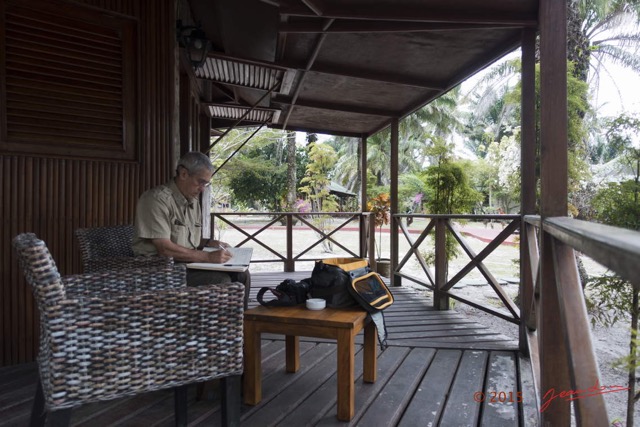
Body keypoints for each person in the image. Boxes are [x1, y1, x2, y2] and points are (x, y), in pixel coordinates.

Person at [132, 151, 251, 308]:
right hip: (159, 272)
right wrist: (208, 257)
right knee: (221, 282)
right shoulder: (156, 200)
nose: (202, 189)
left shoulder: (192, 201)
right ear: (183, 173)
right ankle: (212, 329)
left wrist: (209, 242)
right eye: (200, 182)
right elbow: (164, 248)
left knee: (242, 275)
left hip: (187, 265)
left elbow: (185, 240)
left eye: (206, 184)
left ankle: (238, 326)